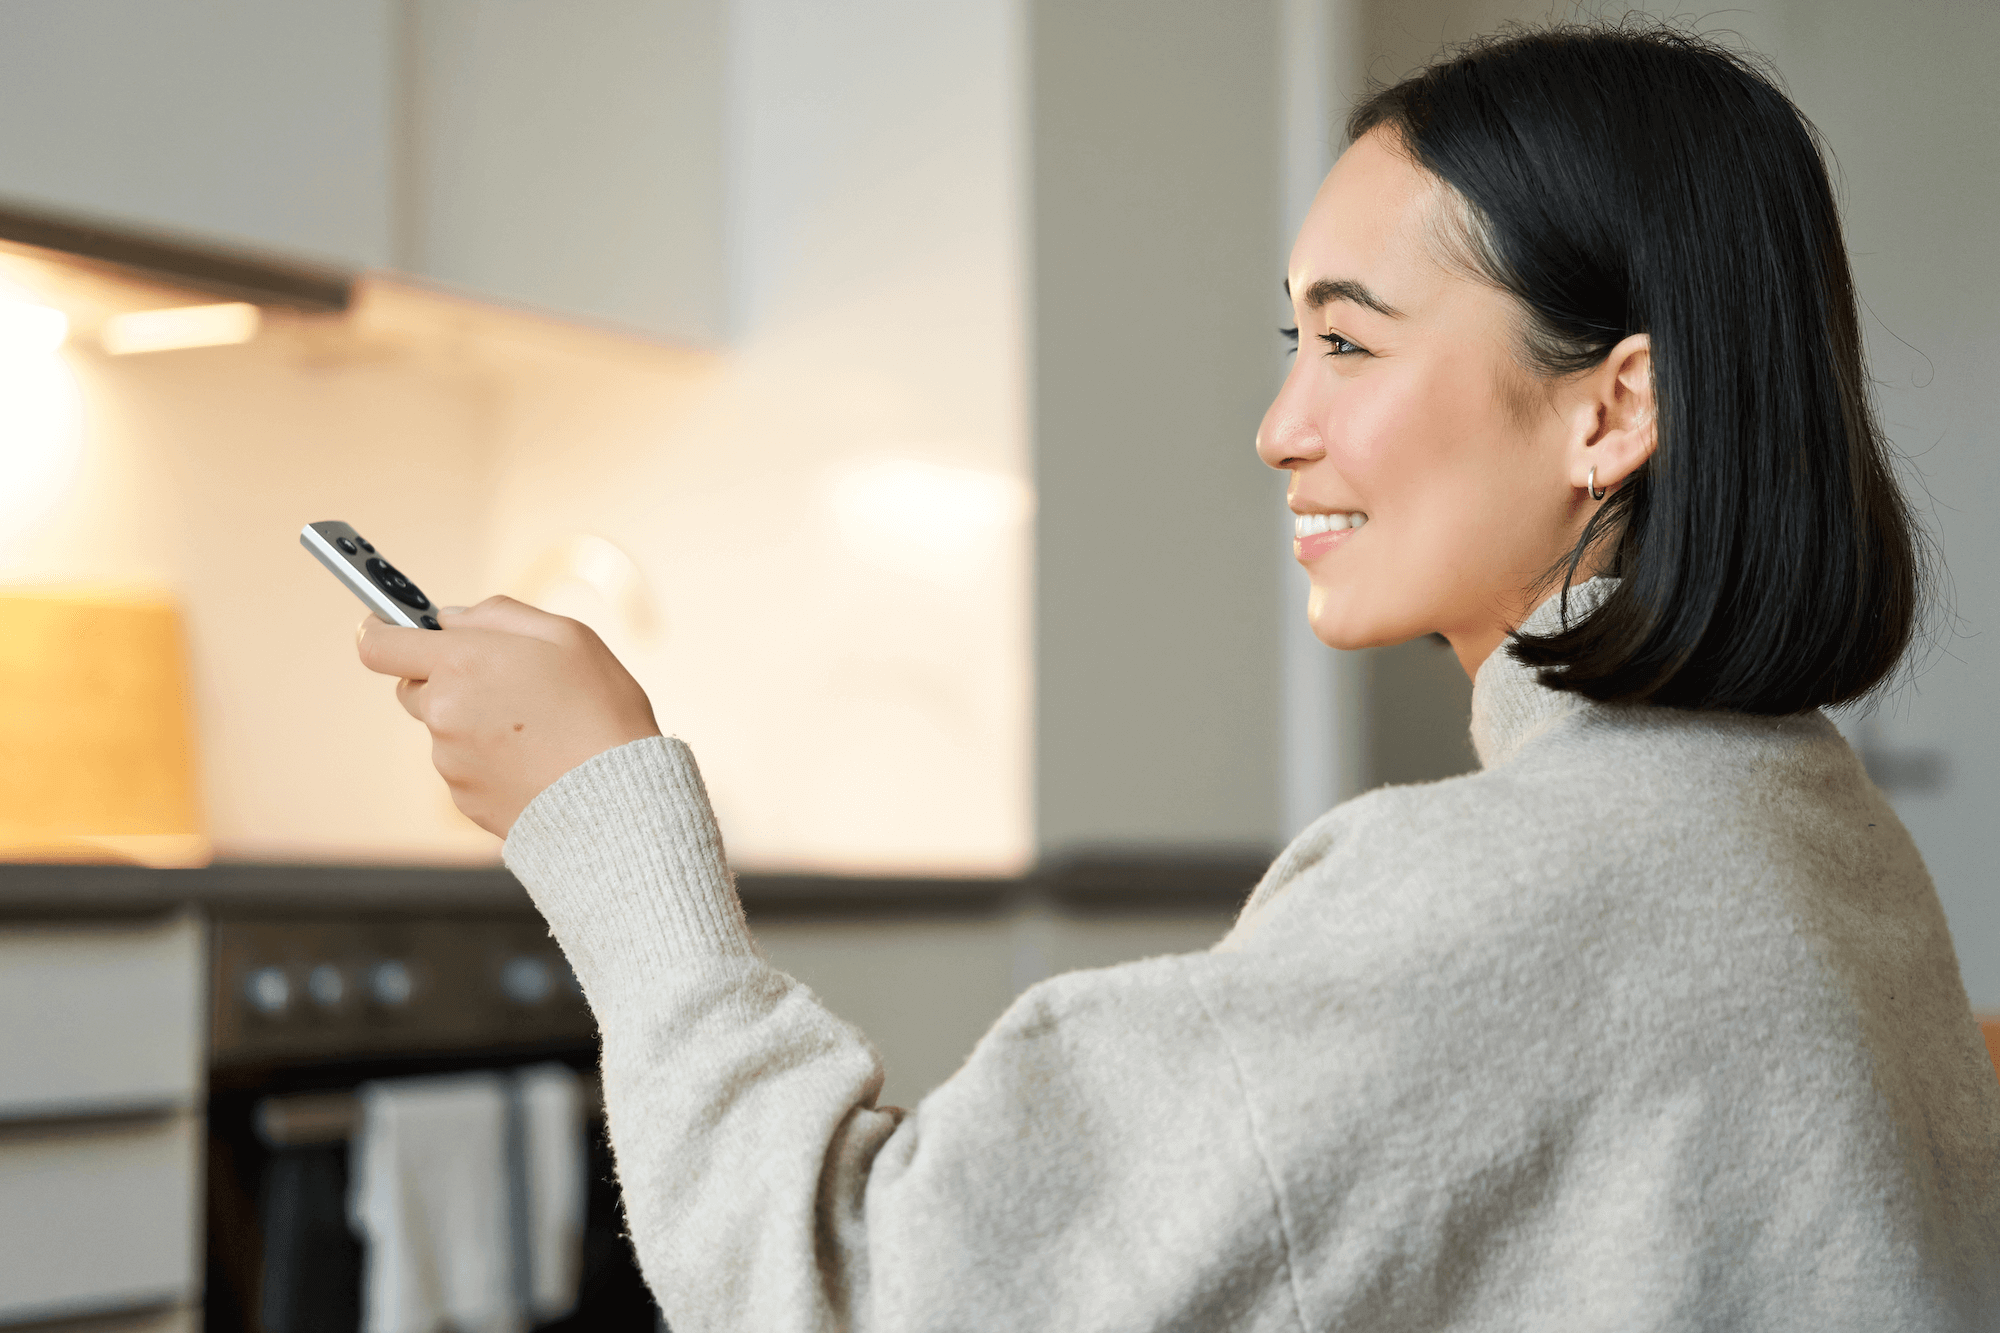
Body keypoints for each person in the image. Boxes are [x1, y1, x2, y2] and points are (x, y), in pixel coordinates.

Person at [358, 23, 2000, 1331]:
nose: (1283, 427)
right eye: (1293, 342)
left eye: (1351, 341)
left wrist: (603, 820)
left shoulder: (1510, 896)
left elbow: (862, 1291)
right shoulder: (1820, 840)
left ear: (1611, 410)